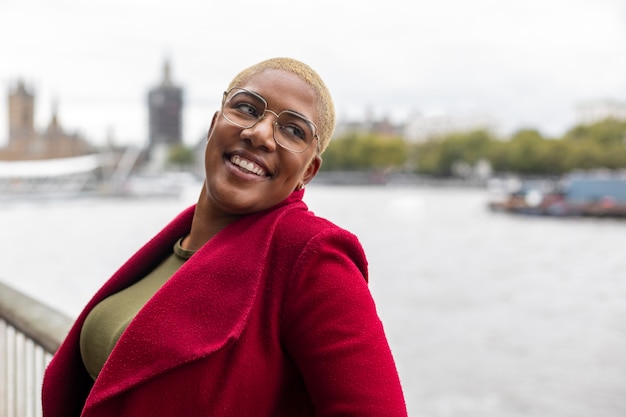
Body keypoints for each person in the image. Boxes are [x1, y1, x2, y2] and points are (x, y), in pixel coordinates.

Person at [42, 57, 408, 417]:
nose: (260, 134)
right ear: (215, 123)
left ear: (308, 171)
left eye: (293, 130)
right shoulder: (175, 245)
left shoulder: (310, 256)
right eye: (247, 108)